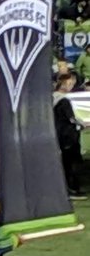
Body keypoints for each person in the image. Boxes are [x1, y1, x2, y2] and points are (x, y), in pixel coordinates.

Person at [53, 71, 85, 199]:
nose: (72, 86)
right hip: (68, 135)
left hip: (60, 134)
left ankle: (69, 188)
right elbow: (71, 118)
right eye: (70, 83)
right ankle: (73, 189)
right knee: (72, 163)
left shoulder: (53, 97)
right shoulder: (64, 100)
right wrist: (82, 124)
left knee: (66, 162)